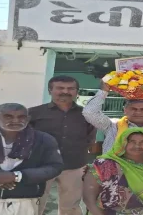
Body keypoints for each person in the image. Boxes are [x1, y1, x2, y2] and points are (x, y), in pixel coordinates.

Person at [0, 103, 64, 215]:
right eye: (8, 116)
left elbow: (54, 167)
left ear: (28, 119)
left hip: (25, 201)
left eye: (21, 117)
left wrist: (16, 176)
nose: (15, 120)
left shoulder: (44, 139)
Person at [29, 75, 96, 215]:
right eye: (60, 88)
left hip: (74, 165)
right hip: (41, 165)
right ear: (50, 90)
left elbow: (90, 138)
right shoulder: (34, 113)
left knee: (71, 206)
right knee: (35, 203)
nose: (65, 91)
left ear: (77, 92)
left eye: (70, 88)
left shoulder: (86, 114)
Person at [83, 127, 143, 215]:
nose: (137, 146)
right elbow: (89, 199)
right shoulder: (104, 165)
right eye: (132, 141)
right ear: (123, 143)